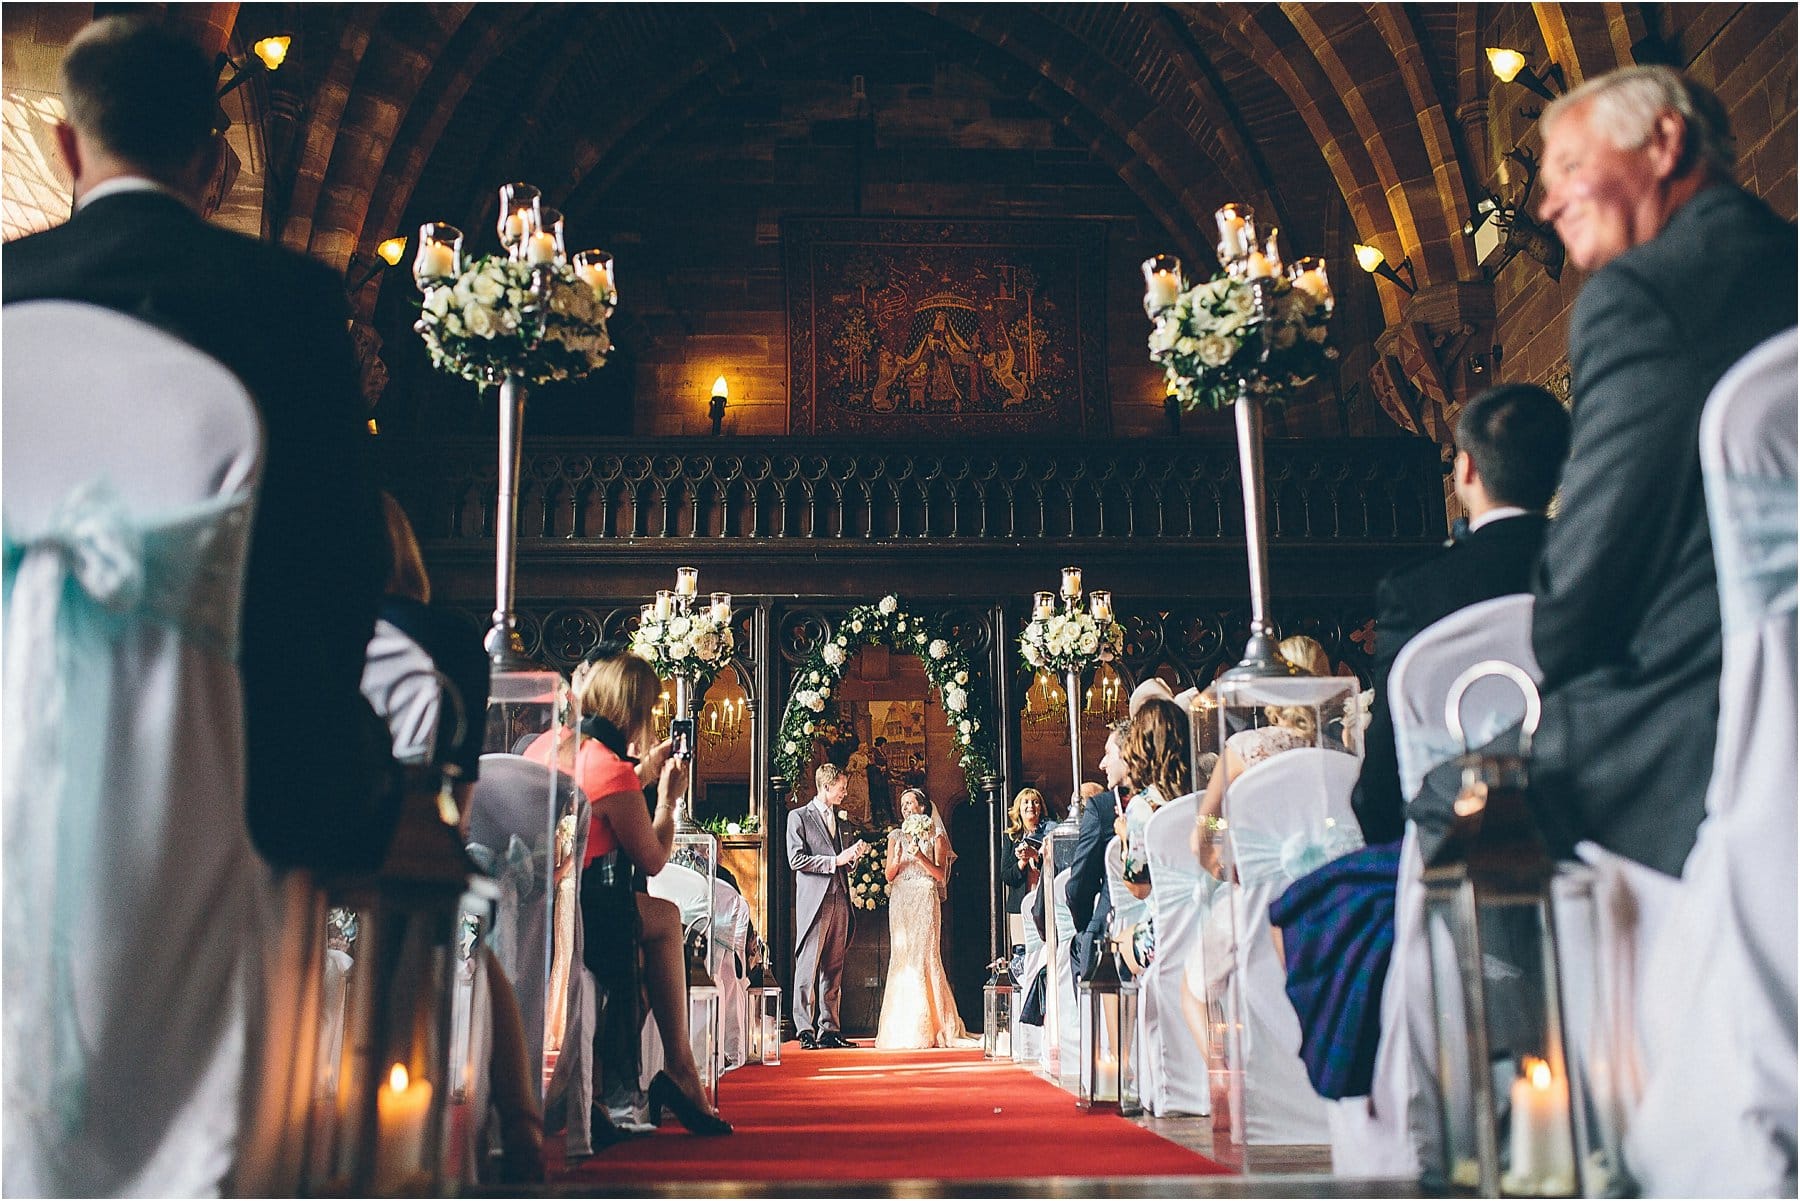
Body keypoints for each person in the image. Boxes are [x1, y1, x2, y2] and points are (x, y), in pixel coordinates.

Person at [3, 17, 396, 875]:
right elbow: (346, 556)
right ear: (215, 162)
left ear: (68, 147)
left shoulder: (9, 291)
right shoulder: (292, 300)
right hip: (231, 774)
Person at [1412, 66, 1797, 876]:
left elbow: (1581, 596)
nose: (1545, 206)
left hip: (1714, 721)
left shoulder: (1639, 295)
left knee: (1447, 809)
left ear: (1664, 142)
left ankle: (1599, 1008)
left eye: (1567, 170)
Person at [1349, 384, 1569, 845]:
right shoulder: (1598, 566)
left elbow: (1383, 779)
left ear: (1465, 468)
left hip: (1454, 843)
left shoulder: (1415, 591)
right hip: (1604, 828)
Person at [526, 654, 730, 1137]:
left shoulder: (550, 746)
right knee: (666, 918)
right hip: (587, 907)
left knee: (653, 931)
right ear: (632, 711)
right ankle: (679, 1068)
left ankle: (582, 1091)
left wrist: (638, 771)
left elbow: (593, 794)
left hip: (540, 898)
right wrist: (668, 799)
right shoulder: (613, 771)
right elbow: (654, 859)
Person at [1194, 634, 1333, 879]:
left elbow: (1204, 830)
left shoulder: (1244, 749)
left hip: (1261, 890)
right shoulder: (1339, 751)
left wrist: (1229, 832)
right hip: (1327, 888)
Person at [875, 789, 973, 1049]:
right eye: (902, 804)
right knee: (902, 957)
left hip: (924, 897)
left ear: (922, 807)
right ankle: (900, 1026)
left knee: (925, 956)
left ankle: (933, 1025)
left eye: (910, 803)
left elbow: (940, 875)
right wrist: (896, 859)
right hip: (901, 900)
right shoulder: (895, 836)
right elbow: (889, 875)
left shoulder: (937, 836)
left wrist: (920, 857)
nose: (906, 807)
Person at [788, 763, 868, 1049]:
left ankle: (830, 1029)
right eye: (841, 787)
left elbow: (844, 860)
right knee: (807, 967)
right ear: (826, 786)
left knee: (834, 967)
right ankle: (804, 1029)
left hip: (840, 898)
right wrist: (834, 861)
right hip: (815, 901)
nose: (845, 792)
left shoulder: (842, 820)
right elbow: (796, 860)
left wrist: (854, 856)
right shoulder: (798, 818)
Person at [1113, 698, 1194, 976]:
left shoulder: (1143, 807)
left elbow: (1139, 888)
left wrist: (1124, 839)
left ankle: (1142, 1020)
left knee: (1119, 947)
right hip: (1211, 921)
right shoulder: (1202, 796)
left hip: (1169, 931)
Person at [1061, 719, 1133, 980]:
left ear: (1128, 756)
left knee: (1080, 947)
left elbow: (1078, 885)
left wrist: (1085, 927)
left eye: (1108, 754)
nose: (1102, 764)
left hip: (1112, 931)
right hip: (1174, 923)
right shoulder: (1166, 799)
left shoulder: (1102, 808)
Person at [1001, 787, 1055, 913]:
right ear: (1018, 808)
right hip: (1020, 907)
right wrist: (1023, 861)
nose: (1030, 805)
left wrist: (1036, 856)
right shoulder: (1010, 837)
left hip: (1046, 904)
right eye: (1026, 802)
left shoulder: (1050, 833)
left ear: (1040, 808)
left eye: (1035, 802)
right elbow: (1006, 876)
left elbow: (1057, 868)